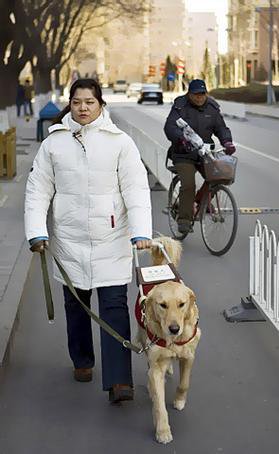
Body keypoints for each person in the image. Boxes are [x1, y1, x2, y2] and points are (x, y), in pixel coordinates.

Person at [24, 78, 152, 403]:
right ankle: (82, 360)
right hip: (69, 239)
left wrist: (141, 231)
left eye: (90, 102)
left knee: (114, 305)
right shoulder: (54, 144)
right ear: (70, 104)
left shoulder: (119, 142)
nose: (83, 108)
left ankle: (120, 381)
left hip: (112, 238)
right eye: (78, 102)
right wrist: (36, 230)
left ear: (101, 105)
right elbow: (38, 189)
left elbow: (136, 188)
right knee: (77, 304)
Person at [164, 78, 236, 234]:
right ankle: (184, 220)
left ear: (206, 93)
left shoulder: (212, 107)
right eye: (196, 94)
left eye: (202, 94)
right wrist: (180, 139)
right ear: (189, 94)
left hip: (204, 153)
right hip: (183, 153)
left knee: (220, 176)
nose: (199, 97)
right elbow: (170, 126)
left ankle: (198, 201)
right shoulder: (180, 106)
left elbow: (221, 128)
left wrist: (227, 142)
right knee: (189, 184)